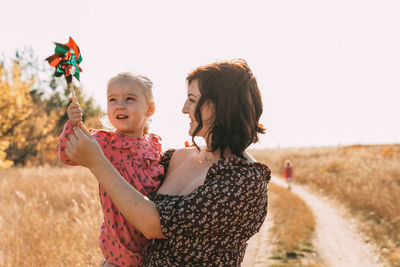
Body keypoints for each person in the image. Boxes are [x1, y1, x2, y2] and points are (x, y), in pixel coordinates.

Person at [65, 59, 271, 266]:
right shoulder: (174, 157)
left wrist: (97, 162)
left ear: (220, 105)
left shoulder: (244, 181)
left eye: (192, 99)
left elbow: (153, 225)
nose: (184, 108)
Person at [58, 73, 164, 266]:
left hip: (153, 252)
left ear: (150, 109)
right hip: (118, 256)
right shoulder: (103, 142)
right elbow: (67, 155)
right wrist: (72, 126)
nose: (119, 105)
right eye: (112, 99)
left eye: (129, 99)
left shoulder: (154, 144)